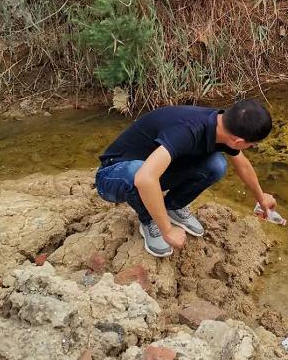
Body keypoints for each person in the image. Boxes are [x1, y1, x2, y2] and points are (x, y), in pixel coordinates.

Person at [95, 99, 276, 257]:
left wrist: (261, 198)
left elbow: (242, 165)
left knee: (216, 165)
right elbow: (145, 178)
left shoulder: (221, 124)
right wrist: (167, 230)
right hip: (113, 176)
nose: (250, 147)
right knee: (139, 172)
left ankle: (173, 207)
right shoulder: (188, 130)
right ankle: (150, 219)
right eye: (251, 145)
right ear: (238, 141)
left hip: (149, 168)